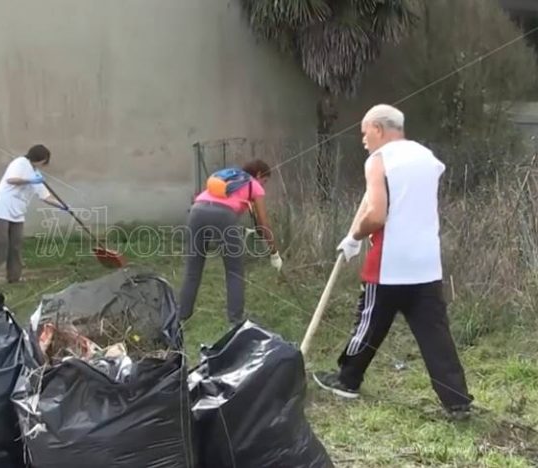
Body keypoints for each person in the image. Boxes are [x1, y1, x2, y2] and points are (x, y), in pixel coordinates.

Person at [312, 104, 473, 420]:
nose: (363, 140)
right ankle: (456, 401)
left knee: (369, 321)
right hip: (426, 263)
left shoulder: (378, 160)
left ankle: (347, 380)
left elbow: (377, 214)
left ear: (378, 128)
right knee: (435, 332)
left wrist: (355, 237)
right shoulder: (427, 158)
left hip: (389, 262)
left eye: (364, 132)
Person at [178, 159, 282, 326]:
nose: (264, 185)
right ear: (259, 174)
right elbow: (263, 222)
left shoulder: (225, 177)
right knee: (234, 270)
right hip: (223, 216)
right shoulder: (254, 185)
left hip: (197, 211)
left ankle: (181, 316)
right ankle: (236, 319)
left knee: (193, 269)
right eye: (265, 181)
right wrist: (274, 253)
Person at [0, 144, 63, 286]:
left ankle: (14, 277)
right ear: (40, 159)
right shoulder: (20, 163)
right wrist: (30, 180)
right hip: (3, 207)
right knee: (0, 243)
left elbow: (45, 197)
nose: (45, 164)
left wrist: (62, 205)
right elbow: (11, 180)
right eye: (45, 160)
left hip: (18, 211)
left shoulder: (37, 174)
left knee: (16, 244)